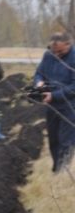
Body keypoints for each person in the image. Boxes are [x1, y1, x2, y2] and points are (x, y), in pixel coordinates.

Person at [33, 32, 75, 173]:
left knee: (66, 140)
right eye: (54, 51)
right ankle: (57, 167)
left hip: (70, 106)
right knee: (53, 139)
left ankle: (63, 172)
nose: (56, 54)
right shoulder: (48, 55)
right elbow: (39, 72)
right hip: (51, 105)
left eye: (60, 51)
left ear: (69, 45)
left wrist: (55, 95)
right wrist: (39, 82)